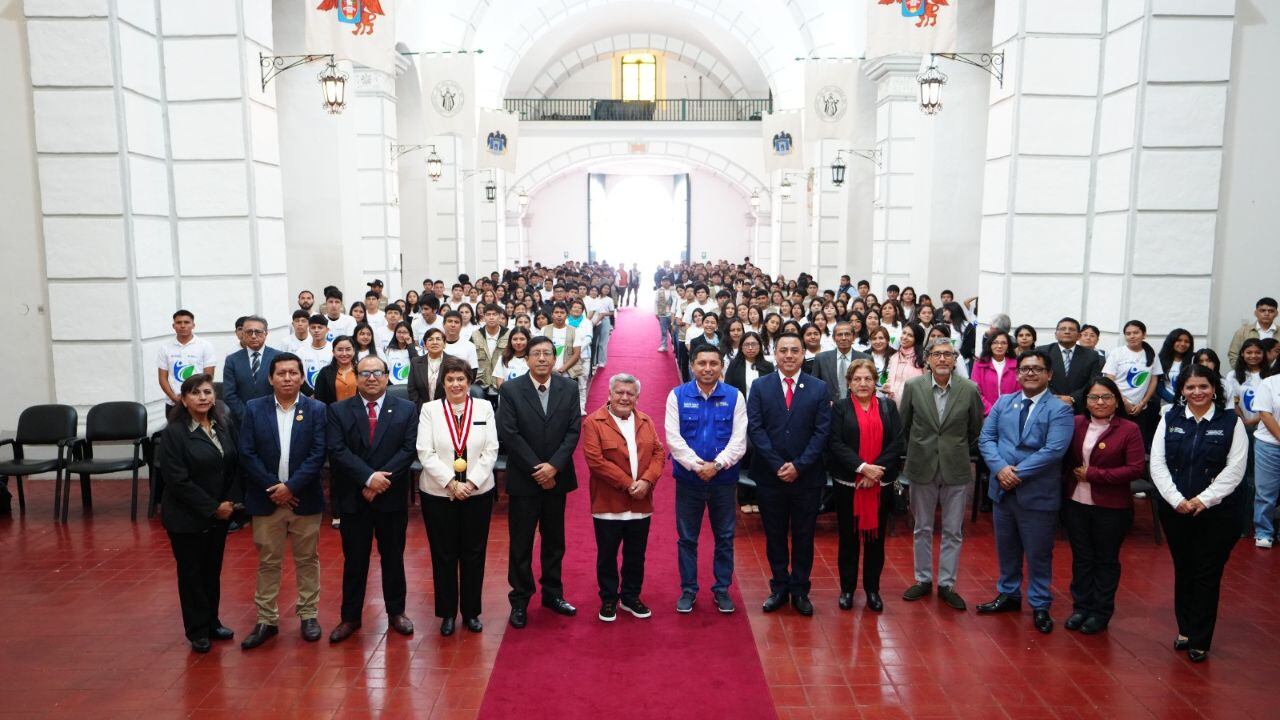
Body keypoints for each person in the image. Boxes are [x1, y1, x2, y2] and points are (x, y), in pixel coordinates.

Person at [1150, 364, 1248, 662]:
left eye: (1203, 386)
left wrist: (1203, 500)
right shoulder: (1169, 417)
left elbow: (1235, 470)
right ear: (1182, 390)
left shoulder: (1232, 422)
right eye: (1190, 387)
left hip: (1218, 514)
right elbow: (1157, 463)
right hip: (1176, 510)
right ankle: (1185, 629)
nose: (1197, 392)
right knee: (1184, 568)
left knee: (1207, 572)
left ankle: (1200, 639)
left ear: (1214, 389)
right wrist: (1177, 499)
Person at [977, 349, 1075, 633]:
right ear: (1017, 374)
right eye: (1025, 369)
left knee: (1038, 553)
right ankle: (1008, 593)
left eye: (1036, 369)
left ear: (1049, 375)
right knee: (1006, 548)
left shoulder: (1060, 409)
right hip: (1003, 491)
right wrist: (1000, 470)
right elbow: (986, 439)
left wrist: (1016, 473)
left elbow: (1054, 450)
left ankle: (1041, 603)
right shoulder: (1004, 403)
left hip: (1037, 493)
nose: (1030, 373)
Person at [236, 353, 328, 649]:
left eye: (293, 373)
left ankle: (309, 614)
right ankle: (266, 619)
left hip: (304, 498)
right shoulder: (254, 408)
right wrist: (275, 488)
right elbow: (246, 452)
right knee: (268, 561)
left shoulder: (316, 409)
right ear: (270, 378)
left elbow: (318, 453)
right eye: (281, 373)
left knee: (307, 560)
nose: (287, 378)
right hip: (266, 500)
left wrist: (291, 487)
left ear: (302, 377)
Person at [325, 356, 419, 643]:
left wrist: (380, 482)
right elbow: (337, 451)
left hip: (390, 497)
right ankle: (350, 617)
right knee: (355, 560)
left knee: (393, 557)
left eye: (377, 372)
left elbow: (408, 449)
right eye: (365, 373)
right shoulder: (339, 410)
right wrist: (368, 478)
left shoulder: (406, 408)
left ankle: (396, 612)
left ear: (387, 376)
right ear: (356, 376)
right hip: (354, 497)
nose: (371, 378)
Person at [497, 335, 582, 628]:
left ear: (555, 358)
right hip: (525, 479)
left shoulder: (569, 388)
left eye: (548, 353)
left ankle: (553, 594)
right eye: (537, 354)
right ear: (527, 358)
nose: (543, 358)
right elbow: (509, 433)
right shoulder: (510, 389)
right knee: (521, 542)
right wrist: (538, 469)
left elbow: (573, 431)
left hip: (556, 479)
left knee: (554, 540)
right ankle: (520, 599)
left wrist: (554, 467)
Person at [747, 332, 832, 616]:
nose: (789, 355)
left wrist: (799, 465)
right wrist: (776, 464)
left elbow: (822, 432)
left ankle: (800, 589)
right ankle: (780, 587)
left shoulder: (819, 388)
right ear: (774, 352)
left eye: (795, 350)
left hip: (807, 477)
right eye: (783, 350)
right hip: (770, 476)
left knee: (804, 536)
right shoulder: (760, 386)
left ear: (803, 353)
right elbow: (756, 429)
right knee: (774, 535)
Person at [898, 338, 985, 611]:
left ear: (956, 358)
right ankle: (923, 579)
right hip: (922, 466)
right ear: (928, 359)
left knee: (953, 530)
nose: (943, 359)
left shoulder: (969, 389)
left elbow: (975, 430)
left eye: (948, 354)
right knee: (922, 527)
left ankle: (947, 583)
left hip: (955, 467)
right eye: (937, 354)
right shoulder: (913, 387)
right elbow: (904, 425)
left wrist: (953, 448)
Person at [417, 357, 500, 635]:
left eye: (460, 379)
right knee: (444, 554)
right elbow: (424, 452)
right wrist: (452, 483)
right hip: (439, 493)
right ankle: (447, 613)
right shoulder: (430, 410)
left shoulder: (484, 407)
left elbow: (491, 450)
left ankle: (472, 612)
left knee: (474, 554)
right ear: (443, 383)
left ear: (469, 382)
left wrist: (472, 483)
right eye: (450, 379)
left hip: (478, 493)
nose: (455, 384)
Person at [157, 373, 240, 653]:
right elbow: (176, 480)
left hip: (220, 513)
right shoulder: (174, 433)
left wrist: (229, 502)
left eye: (207, 392)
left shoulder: (224, 425)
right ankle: (197, 630)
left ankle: (212, 621)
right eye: (195, 393)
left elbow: (234, 465)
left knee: (211, 571)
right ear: (183, 399)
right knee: (191, 574)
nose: (203, 397)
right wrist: (212, 507)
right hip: (187, 516)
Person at [665, 346, 748, 614]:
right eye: (702, 363)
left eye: (714, 363)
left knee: (724, 536)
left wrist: (718, 465)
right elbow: (673, 439)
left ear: (722, 366)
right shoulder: (677, 395)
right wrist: (697, 466)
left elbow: (739, 439)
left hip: (723, 480)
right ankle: (688, 589)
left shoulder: (735, 397)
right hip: (689, 480)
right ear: (692, 365)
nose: (708, 368)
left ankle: (721, 589)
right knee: (687, 538)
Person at [1061, 378, 1145, 635]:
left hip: (1111, 507)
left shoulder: (1129, 429)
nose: (1100, 402)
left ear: (1116, 400)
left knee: (1106, 560)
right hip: (1075, 503)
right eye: (1094, 398)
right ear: (1085, 401)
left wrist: (1094, 475)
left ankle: (1101, 611)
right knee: (1082, 558)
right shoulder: (1075, 424)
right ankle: (1081, 607)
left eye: (1106, 397)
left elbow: (1135, 469)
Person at [584, 374, 665, 622]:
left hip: (641, 503)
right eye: (619, 392)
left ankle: (631, 597)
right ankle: (609, 599)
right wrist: (629, 484)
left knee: (635, 554)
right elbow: (595, 461)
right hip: (608, 504)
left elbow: (659, 453)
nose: (624, 397)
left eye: (630, 394)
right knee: (607, 555)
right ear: (609, 394)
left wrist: (648, 481)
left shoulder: (646, 420)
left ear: (637, 397)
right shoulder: (593, 422)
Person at [826, 359, 906, 612]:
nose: (863, 383)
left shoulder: (888, 407)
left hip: (879, 484)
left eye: (868, 379)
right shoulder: (839, 408)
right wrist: (862, 467)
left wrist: (875, 471)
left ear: (875, 383)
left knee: (876, 541)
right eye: (857, 379)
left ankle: (873, 589)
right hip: (848, 483)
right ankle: (847, 590)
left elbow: (897, 442)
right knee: (848, 540)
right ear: (849, 383)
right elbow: (835, 443)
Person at [725, 332, 773, 514]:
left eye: (754, 344)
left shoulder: (767, 366)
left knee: (761, 454)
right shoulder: (735, 365)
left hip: (762, 417)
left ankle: (758, 497)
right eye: (747, 345)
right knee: (744, 453)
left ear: (760, 346)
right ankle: (744, 497)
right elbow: (729, 390)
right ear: (741, 347)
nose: (751, 348)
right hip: (740, 415)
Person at [1103, 320, 1163, 447]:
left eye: (1136, 332)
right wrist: (1124, 401)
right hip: (1118, 405)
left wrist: (1143, 403)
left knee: (1135, 442)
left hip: (1140, 409)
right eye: (1128, 333)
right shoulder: (1117, 353)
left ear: (1144, 334)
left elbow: (1154, 380)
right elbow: (1109, 379)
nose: (1132, 336)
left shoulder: (1151, 355)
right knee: (1115, 440)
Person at [157, 310, 217, 421]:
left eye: (186, 322)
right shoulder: (165, 348)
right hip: (173, 403)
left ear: (193, 325)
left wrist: (195, 397)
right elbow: (162, 378)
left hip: (199, 402)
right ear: (173, 326)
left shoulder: (205, 346)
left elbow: (208, 377)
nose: (183, 326)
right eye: (179, 323)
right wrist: (175, 398)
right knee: (175, 435)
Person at [1039, 317, 1104, 414]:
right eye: (1063, 329)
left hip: (1078, 407)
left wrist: (1072, 398)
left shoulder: (1091, 355)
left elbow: (1093, 381)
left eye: (1071, 329)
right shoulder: (1042, 352)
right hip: (1046, 404)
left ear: (1078, 336)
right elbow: (1037, 377)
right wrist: (1054, 397)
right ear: (1056, 334)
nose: (1067, 332)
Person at [223, 316, 277, 427]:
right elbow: (229, 394)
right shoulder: (232, 360)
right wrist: (246, 416)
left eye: (257, 332)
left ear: (266, 333)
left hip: (274, 418)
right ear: (242, 334)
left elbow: (284, 390)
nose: (253, 336)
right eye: (249, 332)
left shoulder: (278, 357)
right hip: (242, 422)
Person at [1250, 371, 1280, 548]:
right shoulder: (1270, 383)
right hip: (1269, 445)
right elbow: (1265, 414)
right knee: (1266, 492)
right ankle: (1264, 531)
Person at [812, 321, 872, 401]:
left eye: (847, 334)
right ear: (833, 338)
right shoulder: (821, 358)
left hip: (857, 407)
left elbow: (870, 386)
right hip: (829, 408)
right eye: (840, 335)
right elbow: (814, 387)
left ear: (853, 337)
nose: (843, 338)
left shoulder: (865, 359)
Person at [972, 330, 1019, 415]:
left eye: (1003, 343)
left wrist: (1011, 410)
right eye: (995, 342)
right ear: (990, 345)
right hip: (986, 415)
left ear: (1008, 346)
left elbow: (1019, 393)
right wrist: (992, 411)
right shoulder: (979, 365)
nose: (999, 346)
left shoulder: (1016, 366)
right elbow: (976, 392)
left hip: (1010, 414)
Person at [472, 303, 509, 401]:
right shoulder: (475, 335)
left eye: (494, 314)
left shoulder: (509, 335)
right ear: (483, 317)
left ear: (500, 316)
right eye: (488, 314)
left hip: (503, 381)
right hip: (480, 383)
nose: (491, 317)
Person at [1227, 297, 1278, 366]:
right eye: (1262, 310)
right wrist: (1243, 372)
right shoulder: (1242, 332)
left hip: (1276, 374)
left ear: (1276, 314)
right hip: (1248, 374)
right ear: (1256, 313)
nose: (1267, 314)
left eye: (1271, 311)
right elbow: (1233, 354)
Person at [407, 328, 449, 408]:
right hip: (421, 410)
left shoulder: (453, 362)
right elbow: (412, 390)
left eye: (438, 339)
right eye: (430, 339)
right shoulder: (416, 362)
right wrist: (422, 410)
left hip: (447, 409)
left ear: (444, 344)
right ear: (425, 345)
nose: (435, 342)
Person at [884, 324, 925, 404]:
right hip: (892, 405)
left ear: (917, 339)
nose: (904, 337)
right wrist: (887, 386)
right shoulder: (894, 357)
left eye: (910, 335)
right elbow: (888, 380)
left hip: (913, 406)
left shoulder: (923, 359)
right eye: (904, 333)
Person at [1156, 328, 1195, 408]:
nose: (1183, 344)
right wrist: (1176, 401)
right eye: (1179, 340)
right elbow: (1159, 387)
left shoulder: (1193, 360)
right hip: (1168, 405)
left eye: (1187, 341)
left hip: (1191, 405)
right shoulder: (1160, 360)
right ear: (1171, 341)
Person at [314, 336, 358, 405]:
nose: (344, 353)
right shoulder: (325, 372)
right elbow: (319, 398)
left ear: (354, 351)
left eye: (348, 349)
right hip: (332, 414)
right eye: (340, 350)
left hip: (358, 413)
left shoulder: (360, 370)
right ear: (333, 352)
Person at [297, 315, 333, 393]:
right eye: (313, 327)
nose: (316, 330)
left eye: (320, 327)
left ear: (327, 330)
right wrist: (309, 393)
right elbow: (298, 374)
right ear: (309, 330)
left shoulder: (333, 350)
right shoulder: (301, 352)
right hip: (307, 397)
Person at [655, 276, 678, 352]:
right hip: (662, 314)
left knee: (674, 331)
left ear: (670, 282)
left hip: (672, 314)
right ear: (661, 282)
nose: (666, 282)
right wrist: (656, 312)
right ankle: (664, 345)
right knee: (664, 331)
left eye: (667, 281)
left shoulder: (674, 290)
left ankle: (675, 346)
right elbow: (656, 302)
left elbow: (676, 301)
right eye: (664, 281)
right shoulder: (659, 291)